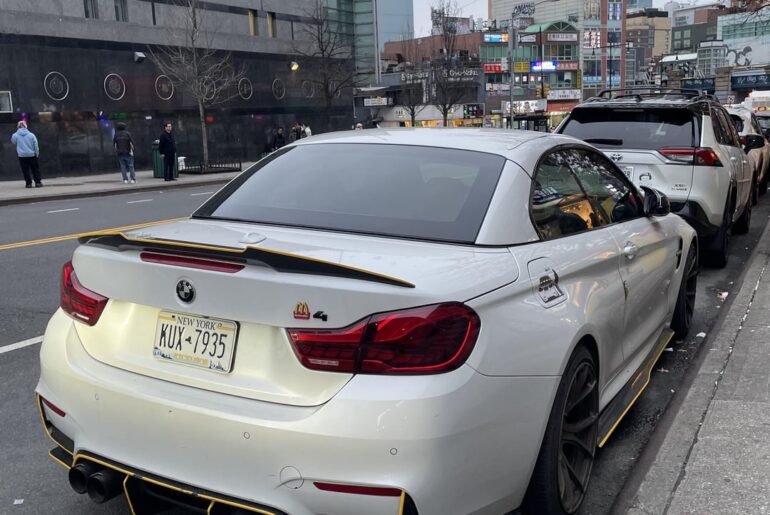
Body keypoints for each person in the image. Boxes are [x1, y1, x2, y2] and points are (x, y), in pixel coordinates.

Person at [11, 120, 42, 188]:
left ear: (18, 127)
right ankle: (38, 183)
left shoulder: (15, 135)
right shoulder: (31, 135)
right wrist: (37, 154)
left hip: (22, 156)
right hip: (32, 155)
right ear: (26, 126)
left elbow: (13, 142)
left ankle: (28, 184)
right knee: (35, 169)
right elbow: (36, 145)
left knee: (25, 170)